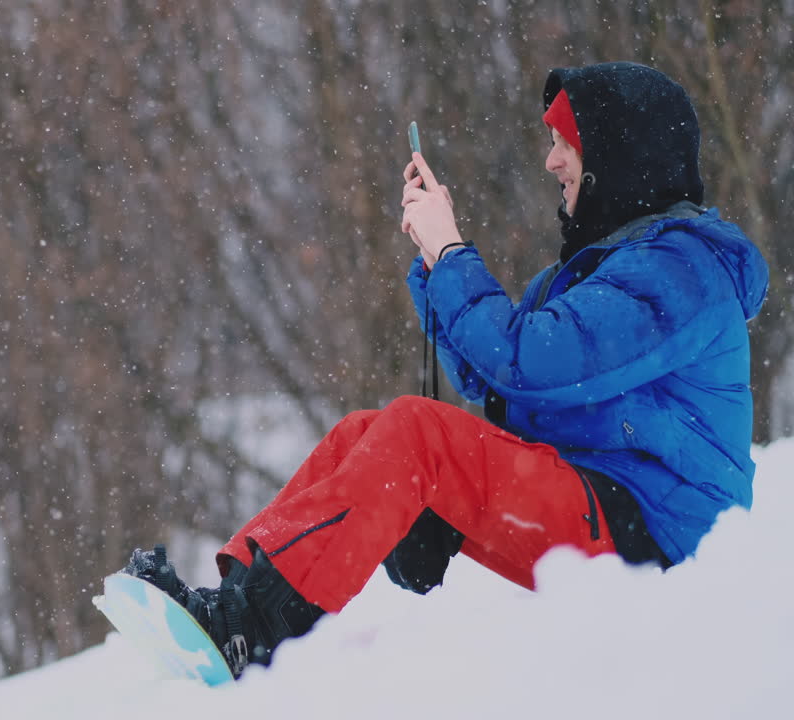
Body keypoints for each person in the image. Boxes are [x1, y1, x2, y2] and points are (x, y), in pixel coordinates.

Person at [121, 62, 769, 679]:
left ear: (619, 152)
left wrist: (452, 250)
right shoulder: (607, 270)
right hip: (605, 500)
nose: (551, 161)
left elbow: (526, 364)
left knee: (415, 435)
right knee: (365, 434)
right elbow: (498, 388)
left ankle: (250, 629)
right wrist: (437, 268)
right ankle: (235, 602)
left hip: (664, 538)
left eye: (566, 142)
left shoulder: (683, 270)